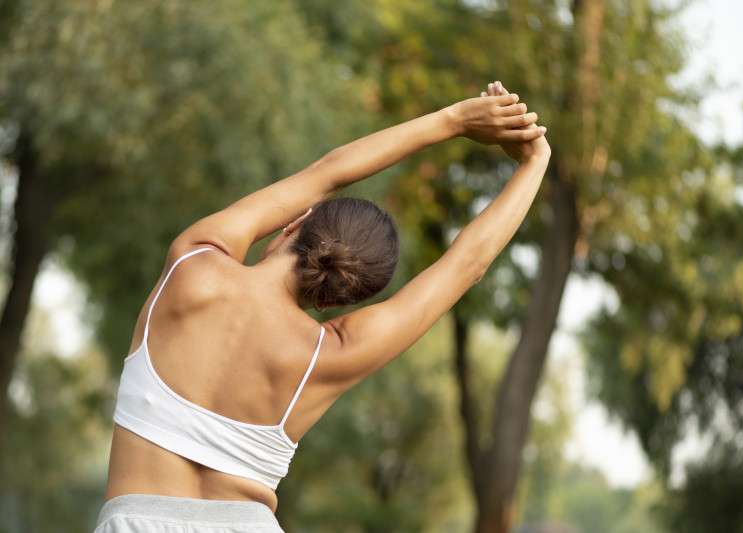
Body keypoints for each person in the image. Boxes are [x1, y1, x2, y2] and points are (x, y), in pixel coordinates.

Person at [95, 81, 550, 532]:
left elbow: (327, 173)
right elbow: (465, 264)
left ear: (295, 223)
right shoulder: (331, 353)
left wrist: (454, 119)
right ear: (333, 300)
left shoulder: (193, 262)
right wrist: (535, 162)